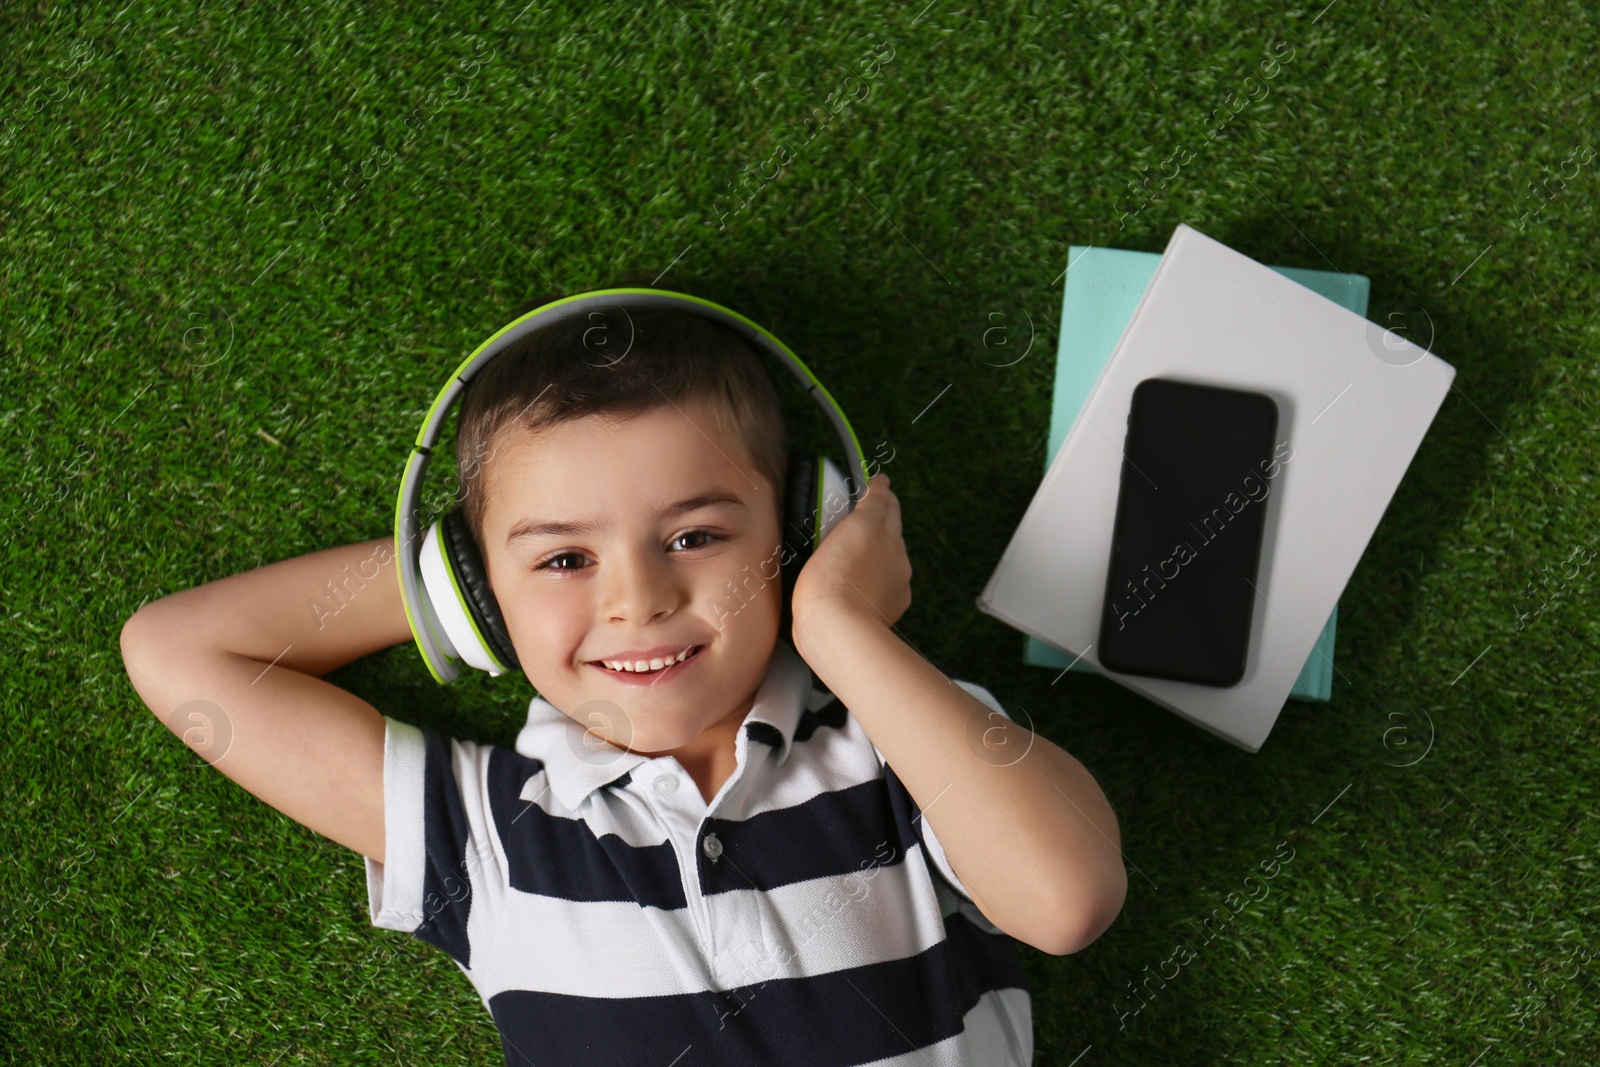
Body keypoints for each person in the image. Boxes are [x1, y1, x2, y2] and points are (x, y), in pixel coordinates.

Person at [119, 296, 1126, 1066]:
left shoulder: (899, 746)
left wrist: (838, 623)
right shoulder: (487, 833)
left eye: (694, 535)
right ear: (476, 590)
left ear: (803, 533)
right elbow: (178, 651)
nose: (637, 598)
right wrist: (443, 578)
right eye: (564, 559)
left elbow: (1068, 898)